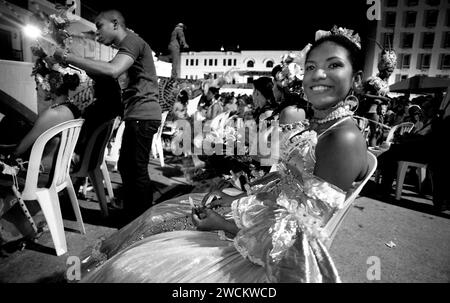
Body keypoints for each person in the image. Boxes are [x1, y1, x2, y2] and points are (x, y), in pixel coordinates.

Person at [80, 26, 368, 283]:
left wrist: (224, 224)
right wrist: (235, 198)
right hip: (261, 219)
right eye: (311, 66)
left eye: (333, 65)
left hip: (270, 258)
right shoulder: (319, 124)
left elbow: (301, 235)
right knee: (160, 215)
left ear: (355, 79)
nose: (318, 74)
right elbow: (283, 185)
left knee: (134, 264)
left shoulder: (343, 137)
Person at [54, 9, 162, 219]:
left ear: (115, 23)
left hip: (143, 115)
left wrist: (68, 56)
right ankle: (134, 216)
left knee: (135, 170)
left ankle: (138, 221)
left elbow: (112, 70)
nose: (97, 33)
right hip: (139, 115)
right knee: (128, 167)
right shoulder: (130, 44)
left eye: (99, 26)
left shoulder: (132, 41)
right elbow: (109, 72)